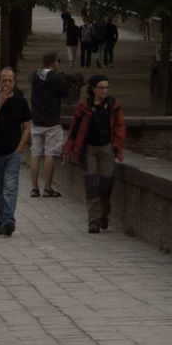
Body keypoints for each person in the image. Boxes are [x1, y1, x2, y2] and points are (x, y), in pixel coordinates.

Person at [64, 75, 126, 233]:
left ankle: (104, 214)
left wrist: (116, 145)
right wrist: (68, 148)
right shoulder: (84, 106)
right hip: (89, 149)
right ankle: (93, 221)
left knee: (106, 185)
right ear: (93, 89)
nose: (104, 90)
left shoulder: (113, 105)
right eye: (101, 87)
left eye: (106, 87)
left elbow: (120, 126)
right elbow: (75, 128)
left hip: (106, 148)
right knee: (92, 185)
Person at [0, 66, 32, 236]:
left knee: (9, 188)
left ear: (14, 82)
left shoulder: (20, 101)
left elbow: (27, 126)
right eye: (4, 80)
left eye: (10, 80)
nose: (7, 83)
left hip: (13, 152)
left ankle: (9, 220)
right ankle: (1, 221)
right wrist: (0, 102)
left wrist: (20, 148)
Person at [28, 52, 70, 198]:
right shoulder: (57, 78)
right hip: (52, 120)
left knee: (35, 153)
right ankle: (47, 188)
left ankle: (34, 188)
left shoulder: (34, 75)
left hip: (37, 119)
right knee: (49, 154)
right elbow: (65, 93)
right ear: (54, 63)